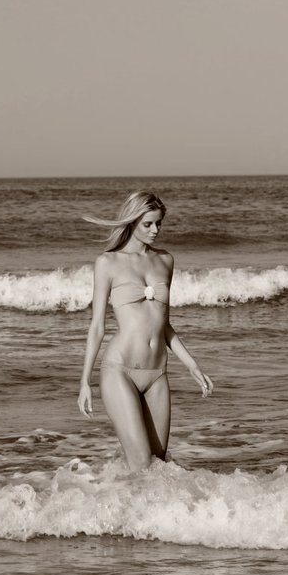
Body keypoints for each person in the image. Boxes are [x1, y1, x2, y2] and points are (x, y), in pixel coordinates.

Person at [77, 190, 213, 472]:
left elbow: (164, 325)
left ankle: (115, 493)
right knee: (141, 463)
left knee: (157, 465)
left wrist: (192, 365)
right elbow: (97, 326)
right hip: (120, 371)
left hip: (157, 375)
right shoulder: (107, 262)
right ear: (132, 222)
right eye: (148, 224)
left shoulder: (165, 261)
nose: (155, 230)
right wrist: (84, 382)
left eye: (159, 223)